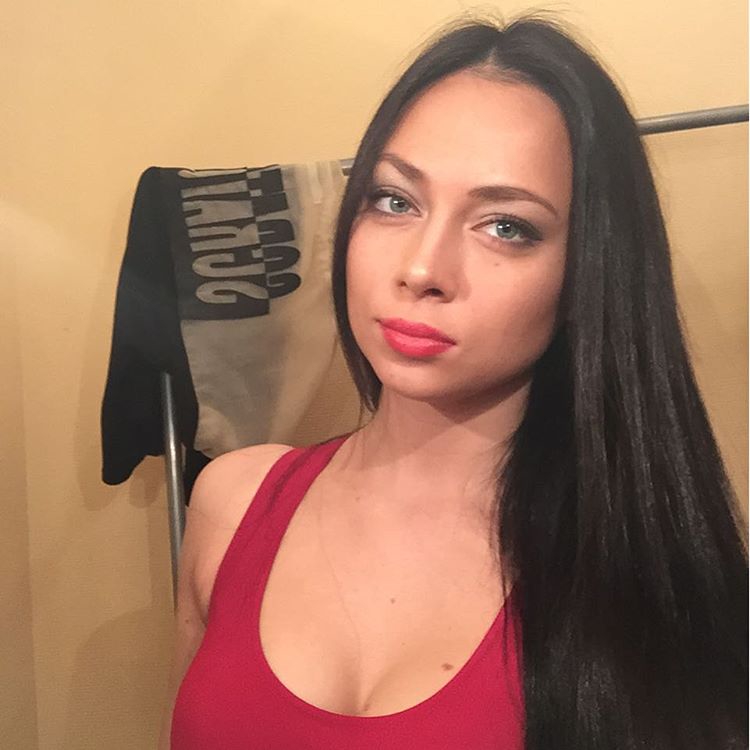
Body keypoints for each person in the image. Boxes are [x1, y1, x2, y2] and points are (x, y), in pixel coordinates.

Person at [160, 11, 748, 750]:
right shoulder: (232, 503)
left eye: (506, 226)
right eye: (394, 200)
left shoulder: (653, 574)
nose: (422, 268)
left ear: (587, 272)